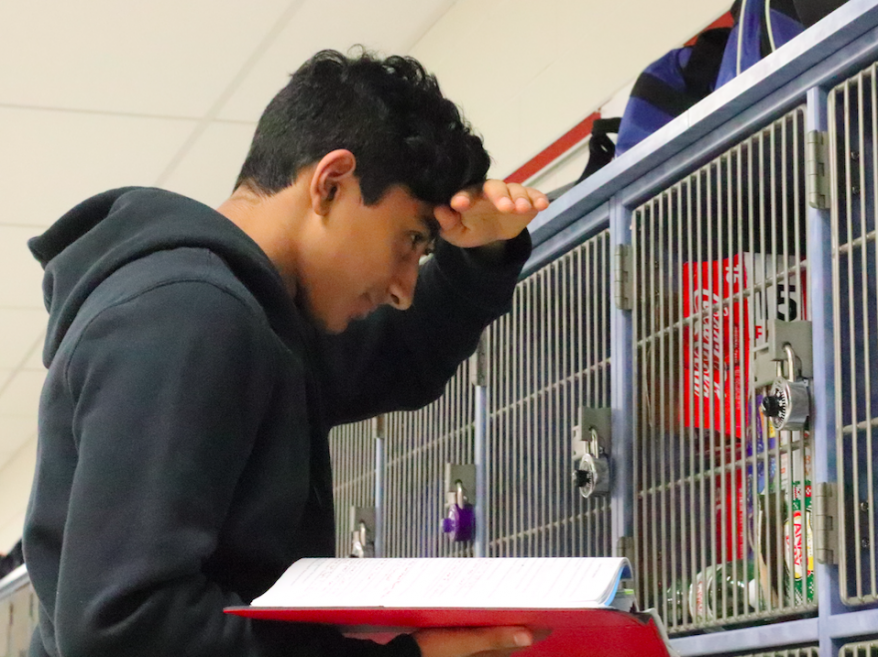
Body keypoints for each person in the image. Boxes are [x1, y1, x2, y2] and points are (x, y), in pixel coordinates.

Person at [22, 49, 548, 657]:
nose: (404, 287)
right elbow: (127, 629)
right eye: (409, 241)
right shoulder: (190, 314)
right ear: (330, 183)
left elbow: (399, 359)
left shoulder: (251, 322)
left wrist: (479, 254)